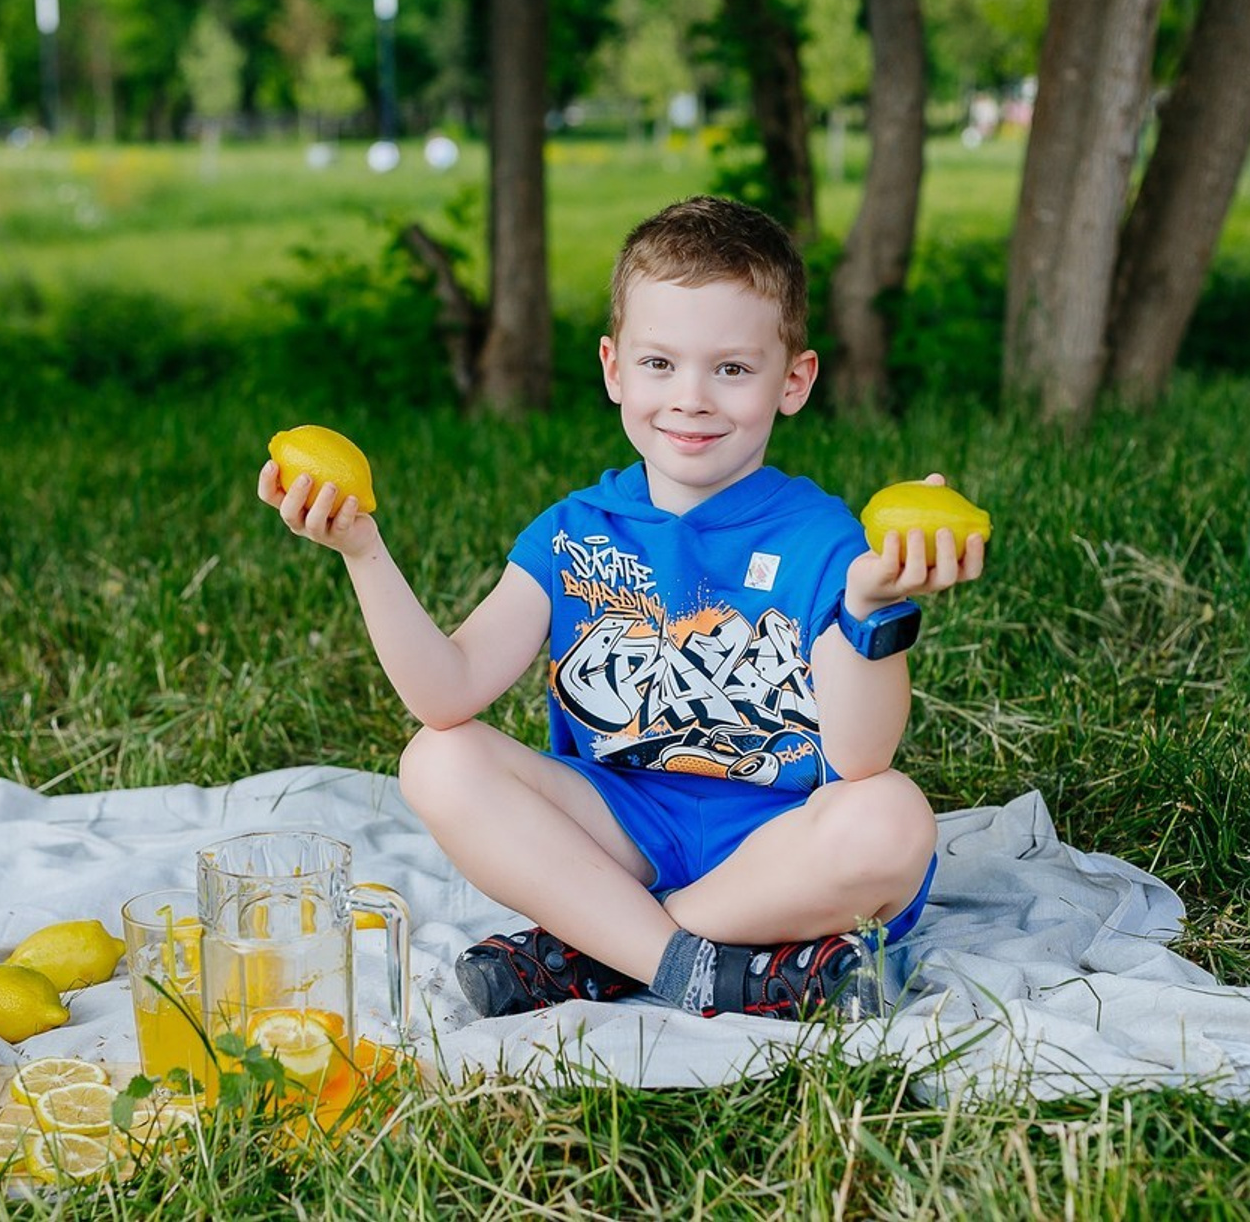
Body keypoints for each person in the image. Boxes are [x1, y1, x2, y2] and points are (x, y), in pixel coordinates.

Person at [258, 195, 987, 1022]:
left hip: (779, 844)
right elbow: (446, 692)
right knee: (436, 758)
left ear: (794, 381)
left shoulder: (825, 539)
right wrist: (364, 551)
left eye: (733, 369)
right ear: (613, 369)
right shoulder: (575, 532)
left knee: (891, 817)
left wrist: (872, 607)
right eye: (659, 364)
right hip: (621, 830)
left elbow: (859, 758)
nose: (692, 398)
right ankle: (724, 968)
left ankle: (596, 952)